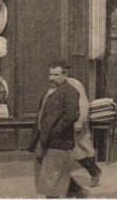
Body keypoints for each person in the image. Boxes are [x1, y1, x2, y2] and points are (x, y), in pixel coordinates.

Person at [28, 61, 84, 198]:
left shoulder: (70, 92)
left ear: (65, 75)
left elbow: (70, 117)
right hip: (45, 140)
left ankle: (79, 193)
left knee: (51, 184)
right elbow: (41, 116)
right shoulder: (49, 92)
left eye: (56, 75)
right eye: (50, 74)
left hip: (59, 143)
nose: (51, 78)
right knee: (49, 179)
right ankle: (78, 193)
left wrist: (53, 133)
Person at [65, 72, 101, 188]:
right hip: (63, 124)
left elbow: (83, 103)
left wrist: (80, 120)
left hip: (77, 123)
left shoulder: (74, 84)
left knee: (79, 151)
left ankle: (93, 172)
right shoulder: (55, 86)